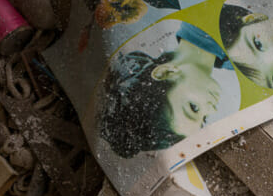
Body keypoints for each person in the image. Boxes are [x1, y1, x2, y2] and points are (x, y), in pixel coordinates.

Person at [96, 22, 228, 158]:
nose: (213, 110)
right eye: (204, 118)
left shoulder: (210, 28)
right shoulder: (229, 57)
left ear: (166, 72)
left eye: (194, 108)